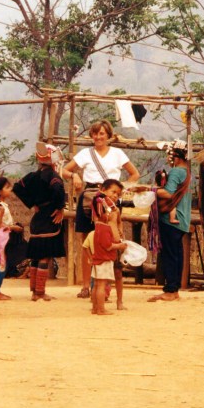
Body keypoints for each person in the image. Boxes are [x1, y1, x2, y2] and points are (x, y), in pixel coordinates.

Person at [61, 119, 140, 298]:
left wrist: (122, 188)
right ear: (92, 136)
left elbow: (134, 173)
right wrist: (74, 176)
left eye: (102, 133)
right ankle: (85, 286)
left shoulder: (118, 153)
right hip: (89, 199)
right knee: (87, 242)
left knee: (110, 240)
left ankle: (105, 287)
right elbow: (64, 170)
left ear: (109, 136)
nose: (98, 137)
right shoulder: (85, 154)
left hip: (110, 199)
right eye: (95, 133)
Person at [13, 142, 67, 301]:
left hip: (38, 218)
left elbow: (17, 187)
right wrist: (60, 207)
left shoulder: (32, 176)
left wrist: (32, 203)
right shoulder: (54, 177)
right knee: (45, 256)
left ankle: (34, 292)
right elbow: (58, 191)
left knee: (37, 255)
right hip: (50, 217)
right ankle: (40, 292)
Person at [148, 140, 192, 302]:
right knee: (176, 255)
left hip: (171, 221)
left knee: (169, 255)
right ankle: (174, 289)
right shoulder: (186, 172)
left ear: (177, 157)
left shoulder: (175, 172)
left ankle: (170, 290)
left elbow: (168, 193)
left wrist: (150, 190)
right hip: (182, 220)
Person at [90, 192, 127, 315]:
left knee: (96, 284)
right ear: (106, 214)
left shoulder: (98, 227)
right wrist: (119, 246)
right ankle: (101, 309)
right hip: (104, 260)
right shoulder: (105, 228)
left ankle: (95, 307)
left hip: (97, 259)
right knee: (101, 285)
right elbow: (108, 245)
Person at [0, 176, 23, 299]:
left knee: (0, 262)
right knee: (0, 263)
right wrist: (13, 227)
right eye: (7, 187)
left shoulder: (0, 205)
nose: (10, 189)